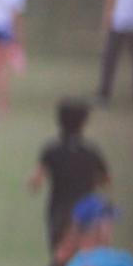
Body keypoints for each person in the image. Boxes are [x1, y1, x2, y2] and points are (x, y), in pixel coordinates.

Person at [28, 100, 109, 250]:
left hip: (59, 211)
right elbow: (106, 181)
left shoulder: (51, 150)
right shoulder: (91, 151)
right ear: (83, 124)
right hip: (87, 211)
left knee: (60, 257)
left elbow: (35, 182)